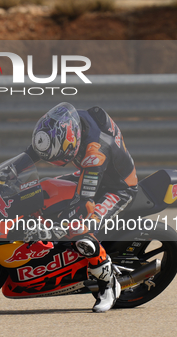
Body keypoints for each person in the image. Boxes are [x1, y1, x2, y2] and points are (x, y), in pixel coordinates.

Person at [25, 102, 138, 312]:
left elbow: (84, 203)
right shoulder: (62, 123)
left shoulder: (96, 152)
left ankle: (109, 285)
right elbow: (29, 156)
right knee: (45, 189)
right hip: (89, 173)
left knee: (78, 229)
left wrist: (57, 228)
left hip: (117, 188)